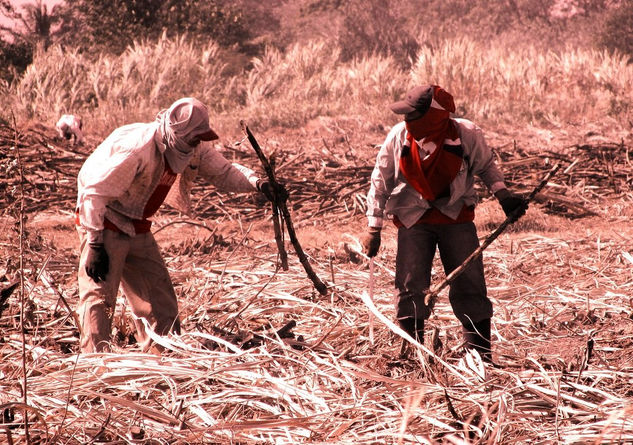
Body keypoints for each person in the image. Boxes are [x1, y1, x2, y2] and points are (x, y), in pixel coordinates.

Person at [75, 97, 286, 353]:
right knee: (99, 299)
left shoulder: (191, 146)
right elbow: (94, 193)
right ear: (177, 131)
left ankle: (164, 361)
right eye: (194, 137)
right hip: (105, 221)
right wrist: (96, 245)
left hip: (138, 225)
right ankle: (95, 367)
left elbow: (224, 172)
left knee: (159, 301)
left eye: (200, 138)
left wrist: (259, 184)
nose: (198, 142)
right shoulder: (137, 149)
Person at [362, 85, 526, 362]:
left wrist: (504, 196)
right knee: (410, 285)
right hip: (413, 219)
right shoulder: (399, 137)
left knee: (470, 283)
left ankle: (479, 355)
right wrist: (373, 227)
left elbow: (485, 166)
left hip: (456, 218)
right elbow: (380, 182)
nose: (407, 120)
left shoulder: (466, 134)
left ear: (434, 116)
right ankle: (414, 354)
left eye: (414, 115)